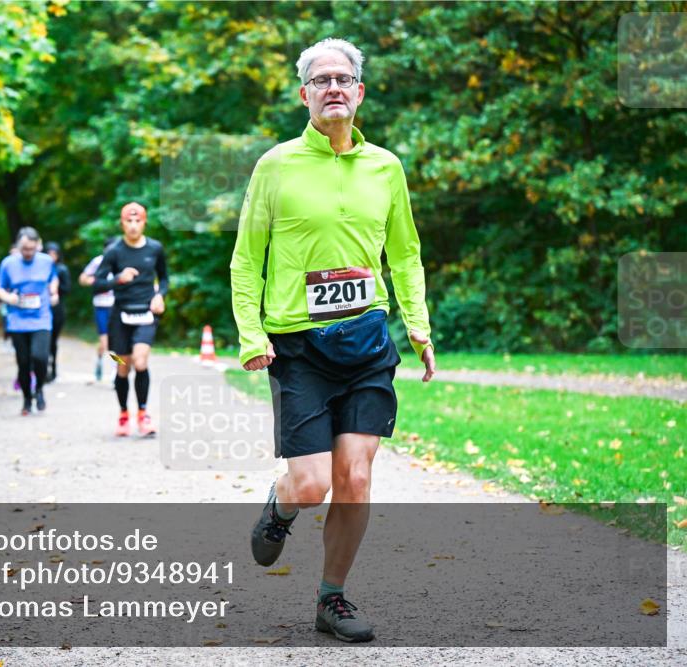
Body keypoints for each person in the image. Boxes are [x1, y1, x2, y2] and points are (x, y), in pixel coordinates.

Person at [230, 38, 436, 643]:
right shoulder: (276, 166)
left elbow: (405, 252)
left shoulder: (386, 168)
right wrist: (250, 332)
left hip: (368, 340)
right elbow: (247, 259)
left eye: (345, 78)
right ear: (305, 95)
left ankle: (332, 597)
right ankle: (283, 503)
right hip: (297, 345)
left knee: (356, 477)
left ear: (361, 91)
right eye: (321, 80)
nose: (334, 88)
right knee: (313, 481)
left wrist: (418, 324)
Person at [93, 203, 168, 437]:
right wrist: (118, 279)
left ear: (144, 222)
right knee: (122, 365)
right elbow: (97, 283)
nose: (134, 226)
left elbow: (164, 278)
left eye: (138, 221)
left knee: (141, 360)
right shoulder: (114, 251)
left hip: (146, 313)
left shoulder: (155, 248)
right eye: (129, 221)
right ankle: (124, 413)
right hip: (120, 315)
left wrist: (160, 295)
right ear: (122, 223)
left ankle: (144, 415)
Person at [0, 227, 59, 416]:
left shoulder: (46, 261)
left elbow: (52, 279)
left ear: (38, 245)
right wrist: (8, 298)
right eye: (24, 249)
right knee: (23, 362)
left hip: (41, 318)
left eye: (31, 249)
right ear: (18, 246)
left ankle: (39, 389)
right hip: (18, 320)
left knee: (40, 357)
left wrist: (54, 292)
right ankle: (26, 399)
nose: (28, 253)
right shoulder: (8, 264)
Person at [79, 237, 118, 382]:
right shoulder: (98, 262)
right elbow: (83, 278)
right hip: (101, 306)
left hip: (117, 306)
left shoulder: (122, 262)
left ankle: (117, 370)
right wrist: (95, 281)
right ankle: (100, 360)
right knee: (105, 344)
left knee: (117, 342)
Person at [44, 242, 71, 383]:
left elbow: (68, 289)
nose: (51, 256)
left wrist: (55, 287)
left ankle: (53, 370)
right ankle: (42, 370)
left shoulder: (62, 269)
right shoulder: (41, 268)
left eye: (54, 253)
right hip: (43, 308)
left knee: (52, 341)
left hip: (57, 309)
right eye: (49, 253)